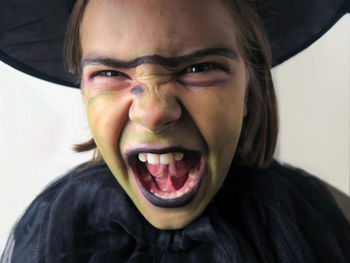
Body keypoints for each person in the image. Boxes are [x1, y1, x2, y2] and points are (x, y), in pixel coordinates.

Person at [1, 0, 349, 262]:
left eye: (198, 68)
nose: (153, 113)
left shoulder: (320, 228)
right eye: (110, 73)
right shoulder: (56, 236)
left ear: (249, 87)